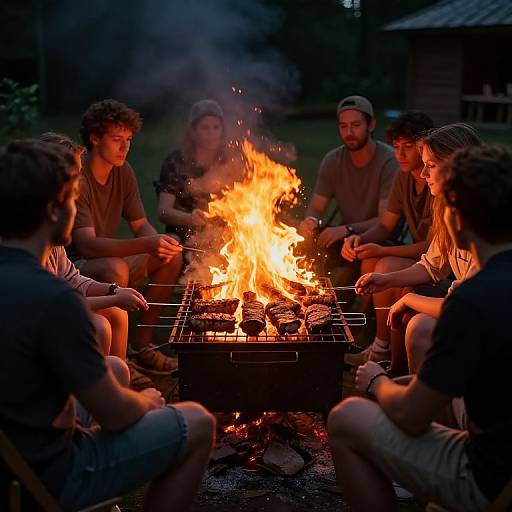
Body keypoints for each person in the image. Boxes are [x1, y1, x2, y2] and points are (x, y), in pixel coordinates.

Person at [0, 139, 215, 512]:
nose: (75, 209)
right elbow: (117, 414)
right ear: (52, 210)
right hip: (50, 475)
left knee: (114, 366)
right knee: (197, 422)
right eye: (71, 199)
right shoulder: (52, 300)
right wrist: (146, 403)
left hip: (14, 450)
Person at [328, 144, 512, 512]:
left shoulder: (471, 300)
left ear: (457, 220)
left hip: (494, 478)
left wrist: (377, 382)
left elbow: (412, 414)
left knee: (346, 416)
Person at [351, 123, 482, 372]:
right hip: (466, 309)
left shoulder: (483, 225)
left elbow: (464, 306)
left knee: (417, 321)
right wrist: (387, 280)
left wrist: (410, 298)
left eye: (431, 166)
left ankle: (408, 390)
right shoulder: (448, 210)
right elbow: (431, 266)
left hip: (485, 322)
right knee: (415, 315)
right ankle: (403, 380)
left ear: (457, 167)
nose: (423, 174)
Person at [68, 99, 183, 371]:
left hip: (103, 259)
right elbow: (88, 246)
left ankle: (141, 345)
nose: (125, 147)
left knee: (172, 254)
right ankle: (121, 360)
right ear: (95, 138)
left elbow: (141, 224)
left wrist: (159, 244)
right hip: (74, 265)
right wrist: (146, 243)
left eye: (129, 139)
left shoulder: (123, 171)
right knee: (116, 267)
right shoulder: (79, 176)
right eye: (117, 139)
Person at [341, 111, 434, 364]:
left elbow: (432, 247)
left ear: (425, 148)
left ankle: (383, 348)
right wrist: (360, 239)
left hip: (437, 263)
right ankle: (375, 338)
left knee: (383, 264)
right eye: (396, 147)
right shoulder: (403, 178)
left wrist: (381, 250)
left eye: (408, 147)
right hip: (420, 255)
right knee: (369, 261)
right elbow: (385, 226)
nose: (400, 155)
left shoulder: (437, 182)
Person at [298, 95, 399, 277]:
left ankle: (361, 304)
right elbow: (316, 207)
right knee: (306, 263)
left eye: (356, 125)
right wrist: (311, 221)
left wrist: (347, 229)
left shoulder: (388, 161)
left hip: (382, 240)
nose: (349, 132)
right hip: (345, 238)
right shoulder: (333, 160)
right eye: (343, 126)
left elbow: (384, 222)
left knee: (345, 276)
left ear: (372, 125)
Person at [157, 99, 229, 244]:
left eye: (216, 127)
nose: (211, 133)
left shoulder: (229, 161)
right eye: (205, 128)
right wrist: (191, 219)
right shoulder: (176, 162)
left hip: (224, 238)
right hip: (185, 239)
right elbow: (163, 212)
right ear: (193, 132)